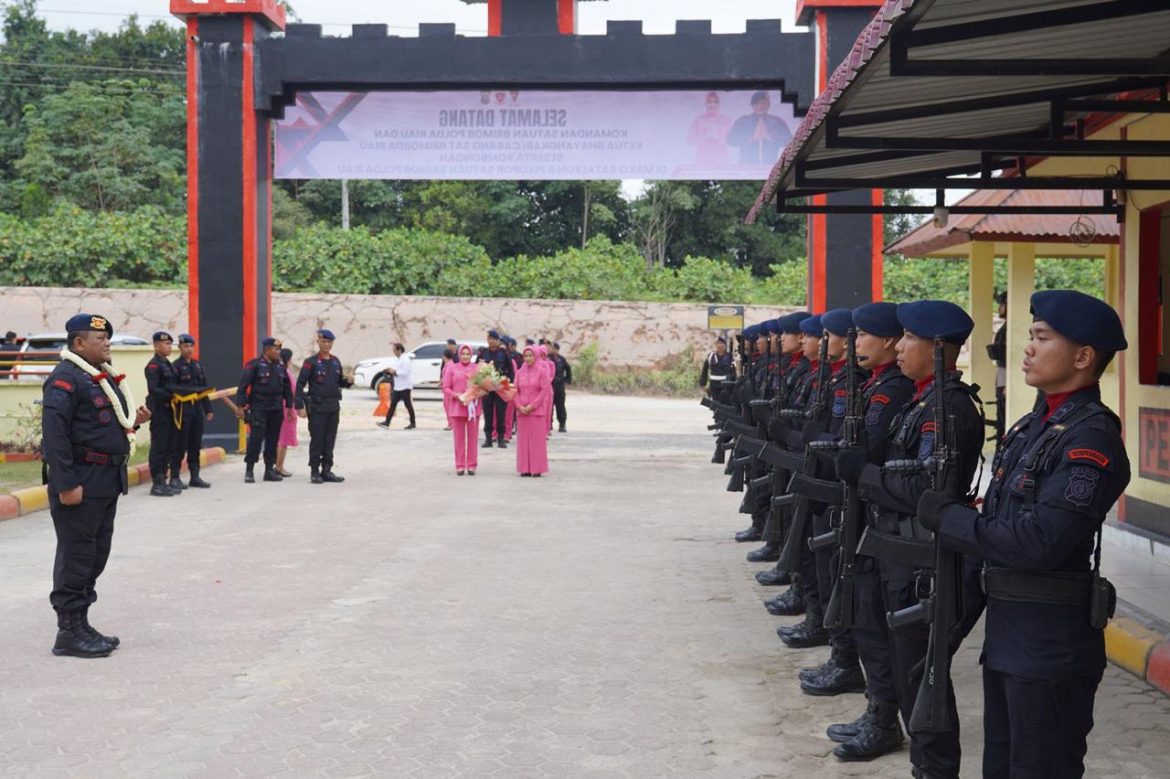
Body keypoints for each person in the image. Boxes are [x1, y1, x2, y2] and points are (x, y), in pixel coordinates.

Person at [916, 290, 1130, 779]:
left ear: (1082, 357)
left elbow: (1038, 541)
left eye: (1041, 337)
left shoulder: (1089, 437)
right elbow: (998, 518)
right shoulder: (1035, 425)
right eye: (1030, 336)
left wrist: (948, 519)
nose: (1028, 348)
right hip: (1012, 637)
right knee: (1002, 767)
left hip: (1051, 645)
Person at [833, 300, 985, 779]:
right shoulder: (924, 400)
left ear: (939, 349)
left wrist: (867, 475)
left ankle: (934, 768)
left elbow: (927, 492)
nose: (899, 346)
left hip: (923, 562)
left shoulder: (949, 408)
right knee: (904, 666)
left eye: (911, 339)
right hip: (897, 549)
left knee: (923, 676)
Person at [42, 314, 150, 658]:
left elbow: (98, 425)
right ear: (78, 343)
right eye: (99, 338)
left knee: (95, 555)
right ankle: (67, 632)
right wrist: (66, 484)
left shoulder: (97, 379)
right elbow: (55, 438)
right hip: (82, 481)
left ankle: (81, 622)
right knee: (77, 555)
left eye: (107, 338)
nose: (106, 343)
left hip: (105, 481)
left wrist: (133, 421)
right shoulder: (65, 380)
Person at [295, 328, 354, 484]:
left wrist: (347, 381)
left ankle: (326, 470)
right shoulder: (311, 362)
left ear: (332, 343)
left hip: (333, 407)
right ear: (318, 342)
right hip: (317, 407)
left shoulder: (335, 361)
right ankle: (315, 471)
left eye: (329, 342)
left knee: (330, 439)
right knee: (317, 439)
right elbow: (300, 384)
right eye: (323, 341)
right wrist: (299, 405)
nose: (326, 344)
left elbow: (339, 382)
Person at [236, 336, 293, 484]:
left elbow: (287, 388)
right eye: (276, 349)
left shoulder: (280, 366)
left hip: (276, 408)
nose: (278, 352)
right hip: (259, 407)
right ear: (267, 350)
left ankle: (269, 469)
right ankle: (249, 470)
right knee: (256, 438)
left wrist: (289, 407)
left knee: (273, 440)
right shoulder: (254, 365)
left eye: (279, 349)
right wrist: (240, 406)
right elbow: (242, 387)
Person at [170, 333, 213, 489]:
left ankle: (195, 476)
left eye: (191, 346)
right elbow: (172, 390)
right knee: (179, 444)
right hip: (182, 410)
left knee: (195, 444)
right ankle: (174, 477)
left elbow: (203, 389)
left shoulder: (197, 365)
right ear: (180, 347)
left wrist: (208, 408)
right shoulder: (175, 367)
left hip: (196, 409)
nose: (189, 349)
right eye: (185, 346)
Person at [144, 331, 179, 497]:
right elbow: (153, 389)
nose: (169, 347)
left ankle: (164, 478)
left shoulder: (168, 364)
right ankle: (157, 482)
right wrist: (171, 395)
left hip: (170, 410)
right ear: (156, 345)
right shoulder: (153, 365)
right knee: (159, 446)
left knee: (169, 446)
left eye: (170, 344)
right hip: (159, 411)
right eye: (166, 344)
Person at [441, 344, 480, 475]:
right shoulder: (452, 368)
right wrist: (456, 395)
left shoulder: (477, 368)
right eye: (463, 353)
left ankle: (471, 465)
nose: (465, 356)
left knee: (473, 438)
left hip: (473, 408)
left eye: (468, 354)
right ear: (459, 354)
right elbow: (445, 387)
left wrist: (475, 393)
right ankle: (459, 464)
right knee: (458, 438)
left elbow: (483, 386)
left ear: (471, 355)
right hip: (457, 407)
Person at [726, 90, 792, 167]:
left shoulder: (777, 122)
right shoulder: (742, 122)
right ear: (752, 105)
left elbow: (789, 140)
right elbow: (731, 140)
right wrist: (751, 138)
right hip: (746, 166)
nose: (761, 106)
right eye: (757, 103)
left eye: (764, 103)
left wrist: (770, 137)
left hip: (770, 166)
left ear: (769, 105)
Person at [515, 345, 552, 477]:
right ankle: (524, 468)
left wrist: (532, 406)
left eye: (531, 355)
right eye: (526, 356)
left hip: (536, 412)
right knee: (523, 441)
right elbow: (515, 391)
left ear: (535, 356)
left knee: (537, 441)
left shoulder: (541, 372)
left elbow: (544, 390)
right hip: (522, 412)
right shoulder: (519, 372)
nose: (528, 358)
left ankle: (537, 468)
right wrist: (519, 406)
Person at [480, 329, 515, 448]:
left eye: (492, 339)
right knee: (488, 414)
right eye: (488, 338)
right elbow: (477, 369)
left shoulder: (503, 353)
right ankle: (488, 439)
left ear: (497, 340)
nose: (489, 341)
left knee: (501, 414)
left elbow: (510, 370)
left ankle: (501, 439)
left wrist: (509, 381)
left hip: (501, 387)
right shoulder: (483, 353)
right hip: (487, 389)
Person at [686, 91, 732, 167]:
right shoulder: (699, 120)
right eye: (709, 102)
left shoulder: (726, 120)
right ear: (705, 104)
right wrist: (704, 137)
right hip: (703, 158)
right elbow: (690, 139)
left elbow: (733, 141)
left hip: (721, 158)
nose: (712, 104)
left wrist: (718, 136)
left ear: (718, 104)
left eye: (715, 102)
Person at [378, 342, 417, 430]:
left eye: (394, 350)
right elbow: (395, 370)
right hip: (398, 387)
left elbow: (406, 373)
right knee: (393, 405)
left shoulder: (405, 359)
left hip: (405, 386)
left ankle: (413, 423)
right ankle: (387, 422)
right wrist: (388, 370)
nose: (393, 352)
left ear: (399, 350)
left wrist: (394, 372)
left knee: (408, 405)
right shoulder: (398, 359)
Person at [987, 291, 1008, 444]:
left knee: (1004, 417)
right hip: (1001, 373)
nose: (1000, 308)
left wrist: (1009, 383)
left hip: (1006, 376)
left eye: (1002, 304)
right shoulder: (1004, 327)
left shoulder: (1010, 329)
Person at [276, 347, 298, 477]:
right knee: (283, 440)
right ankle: (279, 466)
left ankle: (277, 465)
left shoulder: (278, 371)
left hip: (280, 406)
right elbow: (293, 390)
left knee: (278, 438)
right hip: (287, 407)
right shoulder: (286, 372)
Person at [700, 336, 736, 406]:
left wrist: (734, 384)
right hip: (714, 386)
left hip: (726, 386)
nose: (720, 345)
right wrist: (703, 384)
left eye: (722, 343)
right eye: (718, 343)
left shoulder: (729, 357)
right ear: (716, 345)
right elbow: (705, 369)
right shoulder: (711, 356)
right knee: (716, 405)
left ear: (725, 345)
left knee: (726, 405)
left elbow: (733, 371)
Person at [550, 342, 572, 433]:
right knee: (549, 405)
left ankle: (562, 424)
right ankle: (549, 424)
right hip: (551, 384)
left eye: (555, 349)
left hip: (559, 385)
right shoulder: (548, 358)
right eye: (553, 348)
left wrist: (567, 380)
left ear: (558, 350)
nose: (553, 350)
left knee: (560, 405)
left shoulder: (562, 359)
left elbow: (568, 369)